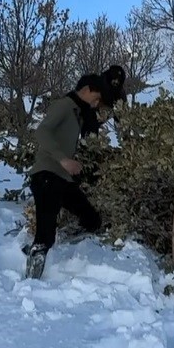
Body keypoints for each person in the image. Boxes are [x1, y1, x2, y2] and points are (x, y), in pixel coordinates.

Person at [25, 74, 106, 279]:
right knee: (44, 237)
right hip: (46, 176)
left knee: (92, 220)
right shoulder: (63, 106)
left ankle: (62, 247)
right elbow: (42, 132)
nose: (97, 103)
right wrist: (63, 160)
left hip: (62, 179)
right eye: (96, 98)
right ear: (86, 90)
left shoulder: (79, 112)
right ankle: (29, 285)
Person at [81, 65, 127, 138]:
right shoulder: (100, 83)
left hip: (110, 109)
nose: (116, 82)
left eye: (118, 80)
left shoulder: (120, 91)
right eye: (114, 79)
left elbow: (122, 112)